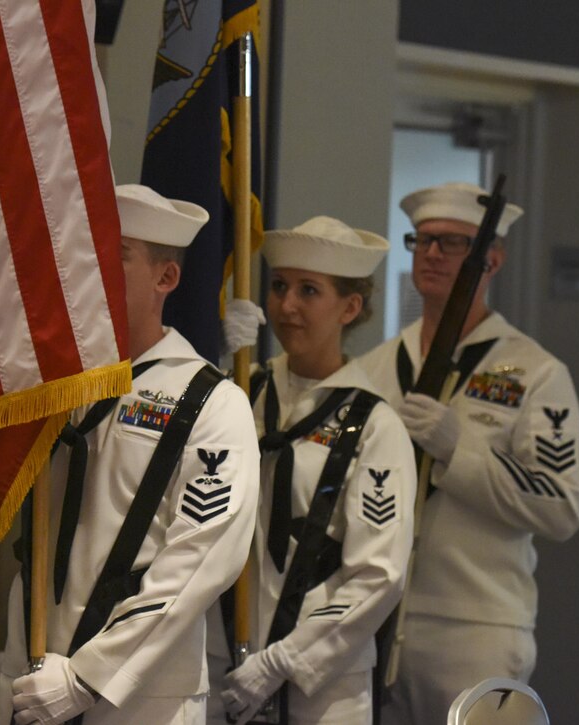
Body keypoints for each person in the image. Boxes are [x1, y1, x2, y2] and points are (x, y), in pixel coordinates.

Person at [0, 184, 261, 725]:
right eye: (86, 251)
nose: (91, 269)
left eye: (116, 255)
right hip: (29, 675)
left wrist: (88, 675)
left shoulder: (209, 402)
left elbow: (202, 556)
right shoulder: (53, 385)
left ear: (166, 278)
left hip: (139, 696)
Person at [356, 182, 579, 724]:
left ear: (494, 260)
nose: (433, 254)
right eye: (423, 240)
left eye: (454, 243)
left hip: (477, 625)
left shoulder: (537, 373)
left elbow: (561, 506)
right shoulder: (374, 368)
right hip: (375, 624)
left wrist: (460, 454)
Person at [215, 216, 417, 724]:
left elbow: (379, 574)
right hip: (226, 664)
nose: (286, 306)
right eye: (280, 286)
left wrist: (285, 660)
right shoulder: (241, 391)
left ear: (351, 307)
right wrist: (211, 363)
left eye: (310, 291)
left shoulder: (375, 423)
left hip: (323, 684)